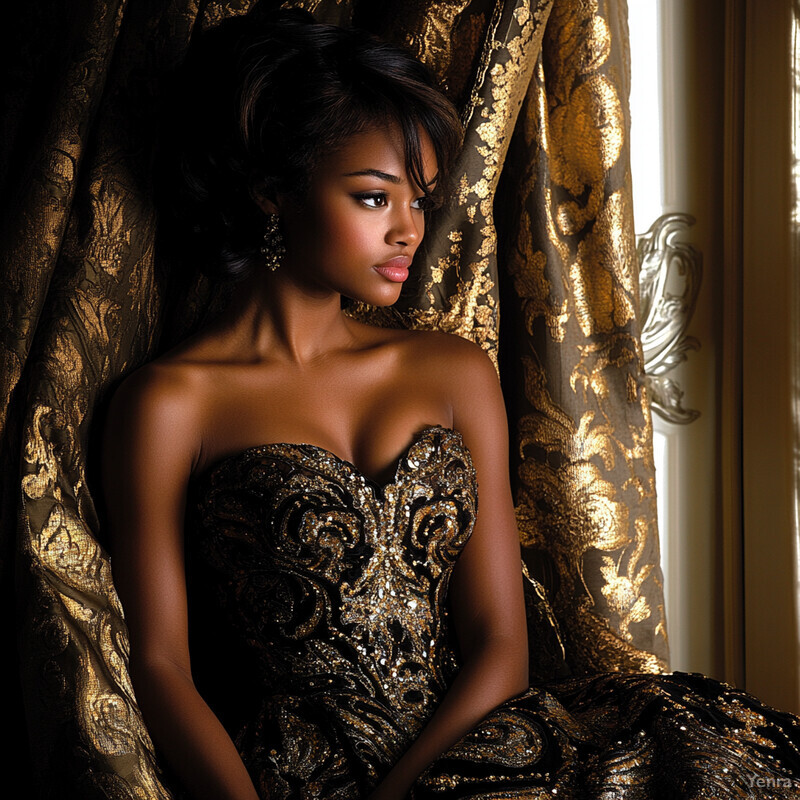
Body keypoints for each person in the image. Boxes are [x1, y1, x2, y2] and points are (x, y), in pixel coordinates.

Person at [102, 8, 800, 800]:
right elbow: (159, 666)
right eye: (374, 198)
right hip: (295, 779)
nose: (409, 231)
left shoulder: (451, 371)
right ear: (271, 193)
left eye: (421, 201)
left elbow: (500, 641)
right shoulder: (169, 404)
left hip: (477, 749)